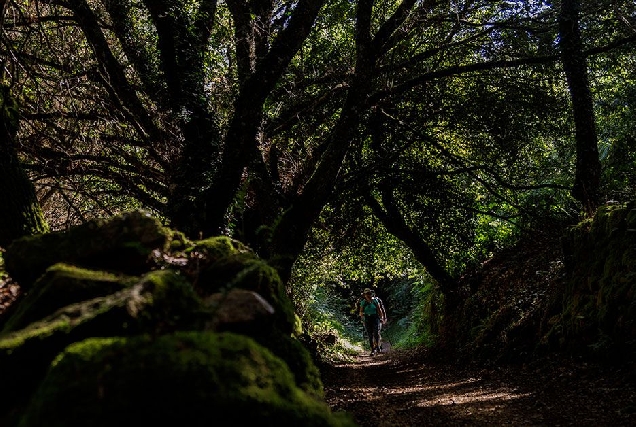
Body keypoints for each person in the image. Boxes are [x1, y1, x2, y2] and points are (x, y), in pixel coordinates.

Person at [359, 288, 387, 356]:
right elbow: (361, 312)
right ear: (364, 295)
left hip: (375, 318)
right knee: (370, 335)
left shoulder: (375, 301)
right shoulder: (363, 302)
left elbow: (379, 310)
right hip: (367, 319)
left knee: (376, 333)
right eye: (366, 294)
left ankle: (377, 347)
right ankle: (372, 349)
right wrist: (362, 316)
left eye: (369, 293)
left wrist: (382, 318)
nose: (368, 295)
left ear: (371, 294)